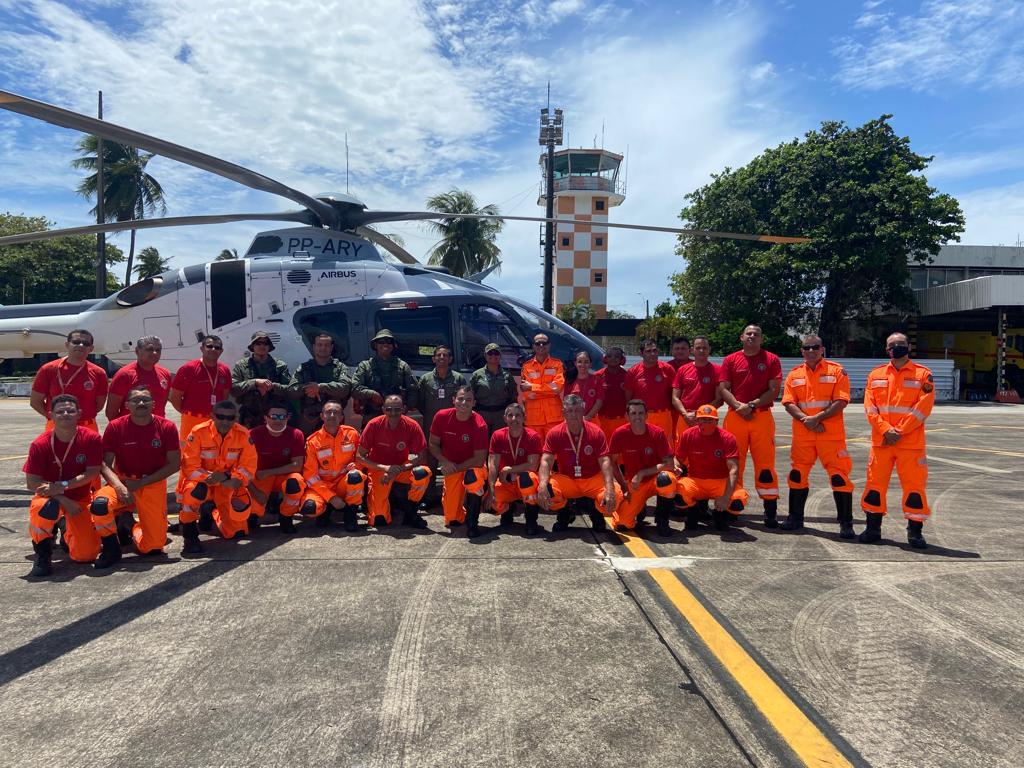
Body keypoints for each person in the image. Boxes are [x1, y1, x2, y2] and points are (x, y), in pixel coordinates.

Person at [860, 332, 935, 549]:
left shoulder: (923, 375)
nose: (896, 348)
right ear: (887, 350)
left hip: (910, 444)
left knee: (914, 488)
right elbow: (870, 407)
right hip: (882, 442)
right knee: (874, 486)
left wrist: (899, 431)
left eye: (900, 344)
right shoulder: (875, 375)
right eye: (892, 345)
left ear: (908, 346)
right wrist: (885, 430)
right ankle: (873, 529)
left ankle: (915, 533)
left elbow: (923, 407)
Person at [23, 394, 110, 576]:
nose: (65, 414)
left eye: (70, 411)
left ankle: (64, 527)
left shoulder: (91, 438)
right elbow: (32, 483)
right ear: (51, 415)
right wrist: (61, 497)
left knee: (86, 555)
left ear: (79, 414)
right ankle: (43, 553)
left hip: (79, 498)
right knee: (44, 508)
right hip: (49, 496)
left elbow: (92, 472)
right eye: (60, 411)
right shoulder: (40, 444)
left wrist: (62, 485)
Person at [780, 334, 855, 537]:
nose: (811, 351)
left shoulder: (837, 371)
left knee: (839, 478)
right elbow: (788, 402)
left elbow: (841, 401)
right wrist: (808, 421)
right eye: (807, 348)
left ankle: (846, 524)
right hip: (803, 435)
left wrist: (818, 419)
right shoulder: (794, 375)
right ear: (802, 351)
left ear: (822, 349)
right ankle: (795, 518)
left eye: (815, 347)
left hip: (830, 436)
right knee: (797, 476)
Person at [95, 385, 181, 559]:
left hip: (152, 483)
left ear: (153, 404)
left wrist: (141, 483)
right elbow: (104, 464)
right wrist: (119, 486)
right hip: (123, 482)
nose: (141, 403)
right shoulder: (115, 427)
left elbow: (174, 464)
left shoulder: (167, 427)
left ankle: (130, 525)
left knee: (154, 547)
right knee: (100, 504)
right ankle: (111, 547)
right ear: (127, 405)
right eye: (135, 400)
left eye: (145, 400)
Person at [717, 324, 782, 527]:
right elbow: (723, 387)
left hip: (760, 416)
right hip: (735, 416)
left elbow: (774, 389)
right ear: (741, 337)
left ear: (762, 339)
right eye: (749, 333)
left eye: (757, 334)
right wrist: (738, 406)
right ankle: (733, 506)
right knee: (734, 463)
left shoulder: (771, 359)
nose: (752, 336)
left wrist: (752, 405)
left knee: (765, 465)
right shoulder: (730, 360)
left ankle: (770, 510)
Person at [177, 400, 257, 553]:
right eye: (220, 416)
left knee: (236, 533)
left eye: (230, 418)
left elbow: (249, 468)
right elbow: (190, 467)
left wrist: (227, 476)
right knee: (192, 493)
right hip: (204, 482)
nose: (225, 421)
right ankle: (190, 533)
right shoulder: (198, 432)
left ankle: (212, 512)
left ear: (236, 418)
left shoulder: (243, 434)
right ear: (212, 416)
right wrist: (210, 477)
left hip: (227, 484)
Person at [537, 394, 621, 533]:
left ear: (583, 411)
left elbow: (605, 461)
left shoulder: (595, 432)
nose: (573, 415)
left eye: (577, 410)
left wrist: (610, 487)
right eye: (570, 411)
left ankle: (596, 513)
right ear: (563, 412)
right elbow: (546, 460)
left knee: (615, 494)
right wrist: (542, 484)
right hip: (568, 480)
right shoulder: (555, 433)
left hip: (592, 478)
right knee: (549, 490)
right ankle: (565, 513)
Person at [357, 395, 431, 529]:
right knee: (379, 520)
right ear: (383, 409)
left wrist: (402, 468)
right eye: (389, 409)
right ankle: (383, 507)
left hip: (401, 468)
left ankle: (411, 512)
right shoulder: (373, 425)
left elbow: (422, 455)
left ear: (403, 409)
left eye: (397, 409)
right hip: (379, 469)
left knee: (423, 473)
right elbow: (359, 456)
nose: (393, 413)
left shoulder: (411, 425)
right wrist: (384, 468)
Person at [674, 405, 748, 533]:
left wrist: (725, 497)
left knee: (737, 501)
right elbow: (678, 458)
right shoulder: (688, 434)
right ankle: (694, 510)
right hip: (695, 481)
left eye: (710, 420)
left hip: (720, 482)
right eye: (703, 419)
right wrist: (676, 466)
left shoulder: (728, 438)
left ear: (716, 421)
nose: (706, 423)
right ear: (697, 421)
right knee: (677, 495)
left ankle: (720, 515)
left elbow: (734, 469)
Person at [429, 386, 490, 536]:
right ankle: (459, 515)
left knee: (473, 479)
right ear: (453, 400)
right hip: (451, 465)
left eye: (468, 400)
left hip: (472, 467)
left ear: (474, 403)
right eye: (460, 399)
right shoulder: (441, 416)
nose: (464, 403)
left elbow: (479, 459)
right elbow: (433, 444)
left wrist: (455, 467)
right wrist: (444, 462)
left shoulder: (479, 424)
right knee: (452, 518)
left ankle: (472, 523)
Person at [609, 400, 676, 535]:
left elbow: (669, 464)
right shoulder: (619, 434)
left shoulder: (657, 433)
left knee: (667, 480)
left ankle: (662, 521)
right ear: (627, 416)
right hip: (635, 484)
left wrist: (642, 472)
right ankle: (640, 507)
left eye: (641, 413)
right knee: (622, 524)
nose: (637, 417)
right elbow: (612, 463)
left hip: (655, 479)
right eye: (633, 413)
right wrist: (623, 486)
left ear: (646, 415)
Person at [299, 400, 365, 532]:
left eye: (336, 412)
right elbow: (310, 476)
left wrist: (356, 465)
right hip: (321, 487)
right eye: (328, 412)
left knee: (356, 476)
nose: (332, 415)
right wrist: (331, 497)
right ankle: (325, 510)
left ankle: (350, 515)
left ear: (341, 417)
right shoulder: (313, 441)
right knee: (309, 508)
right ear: (322, 416)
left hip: (343, 484)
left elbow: (362, 458)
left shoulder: (352, 434)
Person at [31, 328, 108, 432]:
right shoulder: (49, 369)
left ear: (91, 348)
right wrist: (55, 417)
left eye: (86, 343)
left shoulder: (99, 373)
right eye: (76, 342)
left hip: (87, 426)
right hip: (56, 425)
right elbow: (35, 401)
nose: (81, 345)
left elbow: (98, 406)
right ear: (67, 344)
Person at [417, 345, 467, 501]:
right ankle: (429, 495)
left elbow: (463, 400)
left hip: (453, 425)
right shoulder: (426, 379)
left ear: (450, 359)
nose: (442, 357)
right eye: (438, 355)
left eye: (445, 355)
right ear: (433, 359)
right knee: (430, 460)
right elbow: (420, 402)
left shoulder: (458, 378)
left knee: (453, 458)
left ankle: (454, 494)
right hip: (432, 425)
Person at [247, 399, 306, 534]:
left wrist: (269, 472)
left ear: (287, 418)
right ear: (265, 418)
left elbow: (297, 466)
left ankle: (286, 517)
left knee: (295, 482)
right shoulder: (252, 435)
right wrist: (255, 491)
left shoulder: (296, 434)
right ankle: (253, 515)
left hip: (282, 476)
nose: (278, 420)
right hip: (259, 477)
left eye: (282, 417)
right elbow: (242, 467)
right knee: (253, 508)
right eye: (273, 416)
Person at [486, 403, 544, 536]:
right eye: (510, 415)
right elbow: (493, 465)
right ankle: (507, 511)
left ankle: (531, 521)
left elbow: (532, 465)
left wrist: (509, 469)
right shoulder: (497, 435)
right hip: (506, 482)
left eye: (518, 415)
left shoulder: (533, 436)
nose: (514, 419)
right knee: (491, 505)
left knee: (527, 478)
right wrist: (491, 490)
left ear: (524, 418)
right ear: (505, 418)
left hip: (525, 481)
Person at [289, 333, 354, 436]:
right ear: (314, 347)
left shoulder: (340, 367)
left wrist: (320, 387)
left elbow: (345, 388)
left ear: (331, 347)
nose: (323, 348)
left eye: (326, 345)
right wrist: (308, 388)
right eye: (319, 345)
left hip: (333, 418)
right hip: (309, 420)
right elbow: (291, 391)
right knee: (310, 448)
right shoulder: (304, 368)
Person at [169, 335, 233, 439]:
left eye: (217, 347)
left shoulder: (225, 370)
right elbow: (174, 397)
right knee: (189, 453)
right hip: (192, 420)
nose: (213, 349)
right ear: (202, 349)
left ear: (221, 351)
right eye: (209, 346)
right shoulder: (188, 369)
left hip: (215, 421)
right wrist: (187, 413)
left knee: (213, 453)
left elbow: (224, 397)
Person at [353, 329, 417, 429]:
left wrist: (406, 407)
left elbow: (413, 389)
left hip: (396, 416)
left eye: (388, 342)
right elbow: (354, 388)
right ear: (375, 345)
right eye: (381, 342)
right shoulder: (365, 366)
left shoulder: (402, 366)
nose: (385, 345)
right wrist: (371, 394)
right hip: (372, 416)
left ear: (393, 346)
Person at [231, 331, 292, 428]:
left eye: (265, 343)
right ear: (252, 346)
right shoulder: (241, 366)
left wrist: (272, 386)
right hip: (249, 416)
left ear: (269, 346)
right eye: (258, 343)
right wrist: (254, 382)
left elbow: (290, 390)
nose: (262, 346)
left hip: (274, 417)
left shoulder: (280, 365)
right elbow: (234, 389)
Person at [106, 336, 173, 419]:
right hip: (131, 429)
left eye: (158, 350)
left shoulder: (165, 374)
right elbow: (111, 413)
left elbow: (162, 404)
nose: (155, 353)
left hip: (157, 429)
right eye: (150, 349)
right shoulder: (124, 375)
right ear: (137, 351)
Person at [625, 338, 676, 441]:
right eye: (648, 351)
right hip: (642, 416)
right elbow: (628, 398)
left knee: (665, 449)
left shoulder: (668, 369)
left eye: (655, 350)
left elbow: (674, 394)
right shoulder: (633, 372)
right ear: (641, 353)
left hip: (664, 416)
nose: (652, 353)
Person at [519, 333, 564, 438]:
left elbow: (557, 388)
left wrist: (532, 387)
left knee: (554, 451)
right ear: (533, 346)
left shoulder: (557, 364)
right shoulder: (526, 367)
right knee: (535, 451)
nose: (541, 345)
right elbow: (528, 394)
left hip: (554, 418)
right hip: (533, 418)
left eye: (544, 343)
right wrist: (549, 390)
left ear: (549, 345)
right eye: (537, 343)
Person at [672, 335, 722, 431]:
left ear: (709, 349)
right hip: (686, 417)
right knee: (682, 445)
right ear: (692, 350)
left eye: (704, 348)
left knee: (706, 445)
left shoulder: (718, 370)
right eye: (698, 348)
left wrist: (700, 413)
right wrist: (685, 414)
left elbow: (719, 399)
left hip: (707, 417)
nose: (701, 351)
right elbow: (675, 397)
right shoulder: (683, 370)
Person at [470, 343, 518, 434]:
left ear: (500, 356)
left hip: (501, 415)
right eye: (490, 353)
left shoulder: (507, 375)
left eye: (496, 353)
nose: (493, 355)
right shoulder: (477, 375)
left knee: (499, 441)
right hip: (482, 414)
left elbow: (513, 395)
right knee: (481, 441)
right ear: (485, 355)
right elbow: (471, 395)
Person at [595, 346, 628, 441]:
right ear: (605, 358)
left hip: (621, 420)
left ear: (622, 360)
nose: (613, 358)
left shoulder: (627, 376)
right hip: (602, 420)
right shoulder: (597, 376)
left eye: (617, 356)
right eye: (610, 356)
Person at [563, 350, 603, 421]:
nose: (583, 365)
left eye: (586, 362)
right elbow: (566, 401)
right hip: (574, 419)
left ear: (590, 364)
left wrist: (588, 417)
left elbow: (599, 401)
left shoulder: (597, 380)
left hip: (591, 419)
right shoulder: (570, 381)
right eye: (580, 362)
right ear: (575, 363)